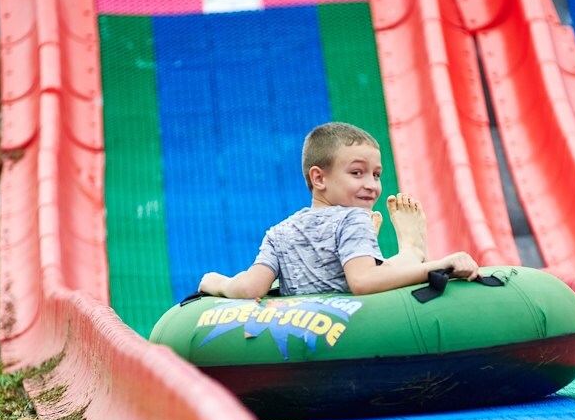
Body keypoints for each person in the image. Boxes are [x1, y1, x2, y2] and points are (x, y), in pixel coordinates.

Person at [198, 122, 480, 299]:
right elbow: (363, 282)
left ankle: (366, 250)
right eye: (357, 173)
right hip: (350, 326)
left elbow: (250, 288)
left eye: (377, 175)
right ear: (319, 178)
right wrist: (441, 265)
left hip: (304, 333)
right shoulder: (354, 217)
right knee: (388, 266)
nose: (372, 185)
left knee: (373, 263)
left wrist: (217, 282)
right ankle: (412, 251)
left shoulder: (278, 232)